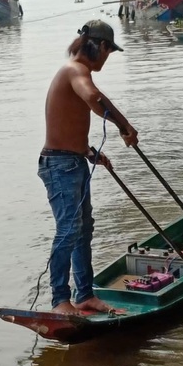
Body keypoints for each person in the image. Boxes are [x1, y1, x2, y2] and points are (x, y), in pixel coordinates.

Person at [38, 20, 139, 315]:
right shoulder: (75, 71)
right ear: (100, 46)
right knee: (68, 231)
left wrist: (89, 152)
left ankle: (84, 295)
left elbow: (68, 121)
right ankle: (59, 300)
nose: (107, 58)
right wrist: (125, 126)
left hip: (73, 160)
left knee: (83, 230)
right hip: (59, 165)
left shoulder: (75, 72)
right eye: (108, 51)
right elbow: (93, 98)